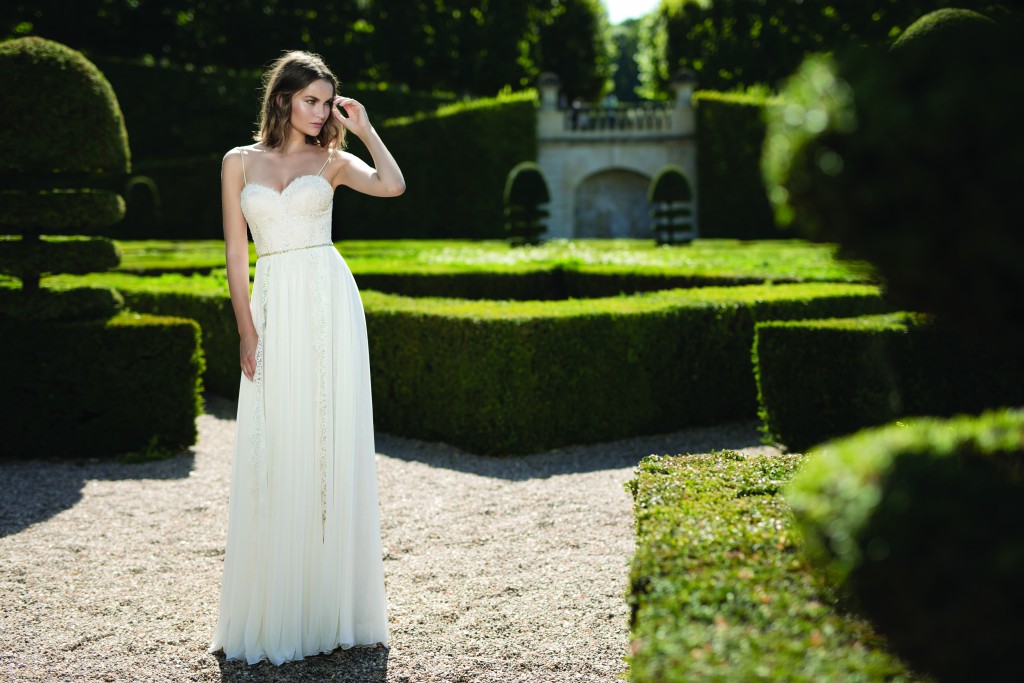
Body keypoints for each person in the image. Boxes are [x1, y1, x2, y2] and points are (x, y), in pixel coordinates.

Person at [208, 50, 405, 666]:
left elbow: (393, 185)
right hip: (273, 303)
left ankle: (329, 605)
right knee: (276, 442)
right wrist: (246, 328)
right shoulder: (238, 162)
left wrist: (365, 128)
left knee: (327, 442)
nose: (320, 113)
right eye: (310, 101)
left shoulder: (333, 160)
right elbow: (235, 254)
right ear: (283, 99)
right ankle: (277, 599)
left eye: (326, 102)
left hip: (328, 303)